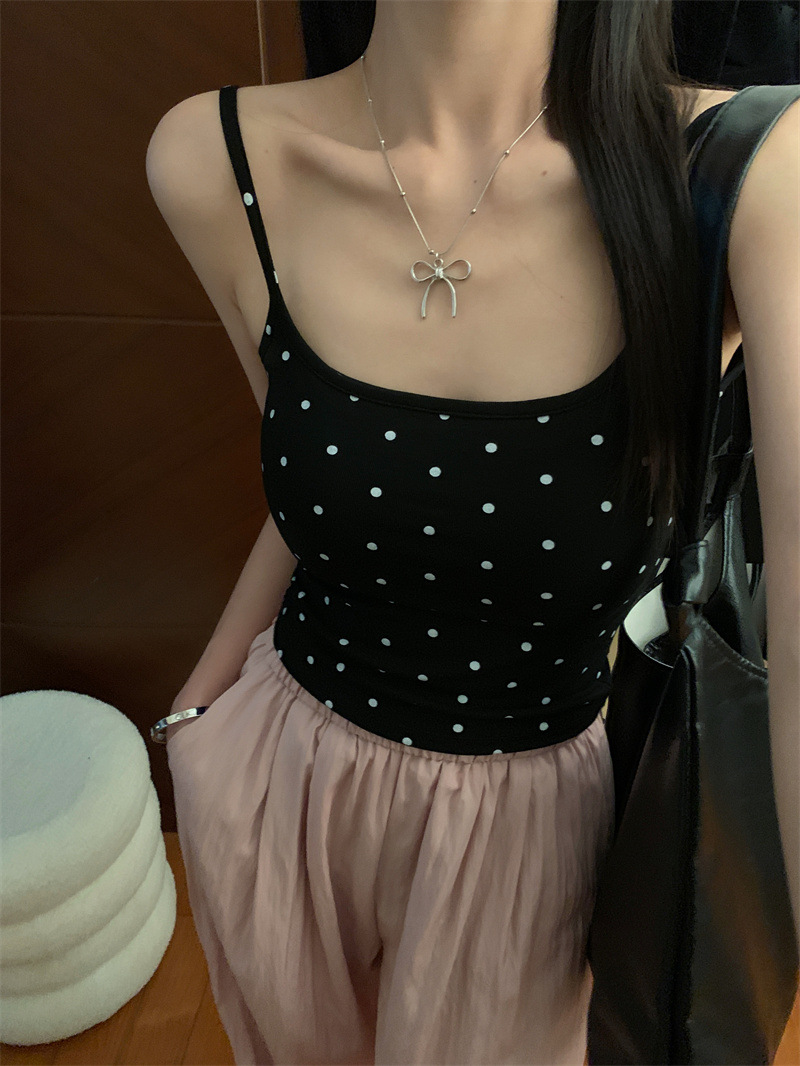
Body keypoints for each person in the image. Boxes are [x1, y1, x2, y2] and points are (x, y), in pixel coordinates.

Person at [145, 2, 747, 1062]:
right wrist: (199, 711)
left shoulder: (733, 174)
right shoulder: (215, 157)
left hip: (526, 830)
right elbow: (324, 493)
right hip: (286, 780)